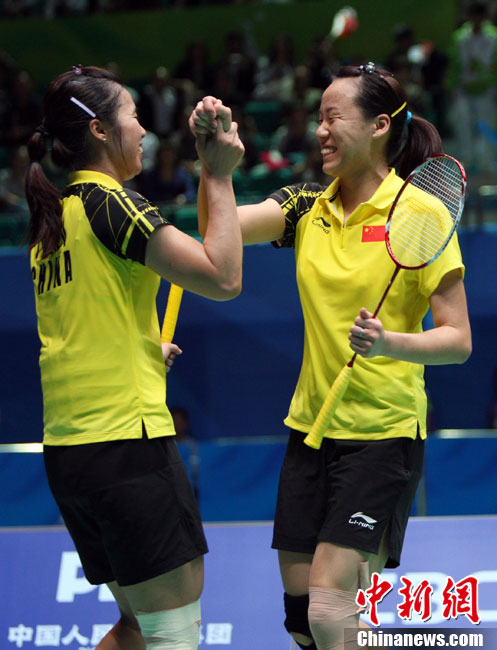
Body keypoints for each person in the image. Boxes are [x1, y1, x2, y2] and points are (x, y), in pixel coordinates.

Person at [190, 62, 472, 649]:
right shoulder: (305, 208)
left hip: (382, 435)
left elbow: (458, 339)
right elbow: (220, 228)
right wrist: (214, 167)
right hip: (312, 429)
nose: (319, 129)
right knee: (303, 623)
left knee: (328, 606)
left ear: (378, 126)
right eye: (318, 117)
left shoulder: (420, 213)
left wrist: (389, 343)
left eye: (333, 117)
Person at [25, 65, 244, 650]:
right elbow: (223, 277)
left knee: (135, 628)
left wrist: (145, 349)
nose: (144, 130)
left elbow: (86, 321)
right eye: (133, 115)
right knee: (172, 629)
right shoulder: (111, 202)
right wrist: (218, 174)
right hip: (126, 444)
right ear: (100, 130)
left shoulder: (54, 215)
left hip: (72, 449)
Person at [447, 1, 497, 175]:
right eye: (473, 15)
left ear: (484, 17)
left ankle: (487, 161)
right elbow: (454, 64)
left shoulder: (493, 36)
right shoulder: (460, 37)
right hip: (463, 87)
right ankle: (466, 159)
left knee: (486, 125)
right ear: (468, 17)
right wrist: (452, 86)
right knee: (463, 124)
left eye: (479, 16)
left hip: (487, 88)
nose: (476, 19)